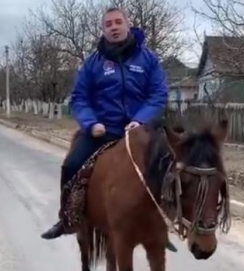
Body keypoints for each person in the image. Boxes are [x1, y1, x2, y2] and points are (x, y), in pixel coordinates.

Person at [40, 7, 169, 240]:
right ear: (103, 30)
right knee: (71, 165)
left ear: (128, 25)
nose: (114, 27)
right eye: (108, 24)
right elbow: (79, 97)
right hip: (103, 130)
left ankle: (174, 218)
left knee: (173, 164)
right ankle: (67, 218)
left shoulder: (148, 59)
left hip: (140, 130)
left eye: (118, 22)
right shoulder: (93, 63)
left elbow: (158, 94)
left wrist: (140, 119)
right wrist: (91, 123)